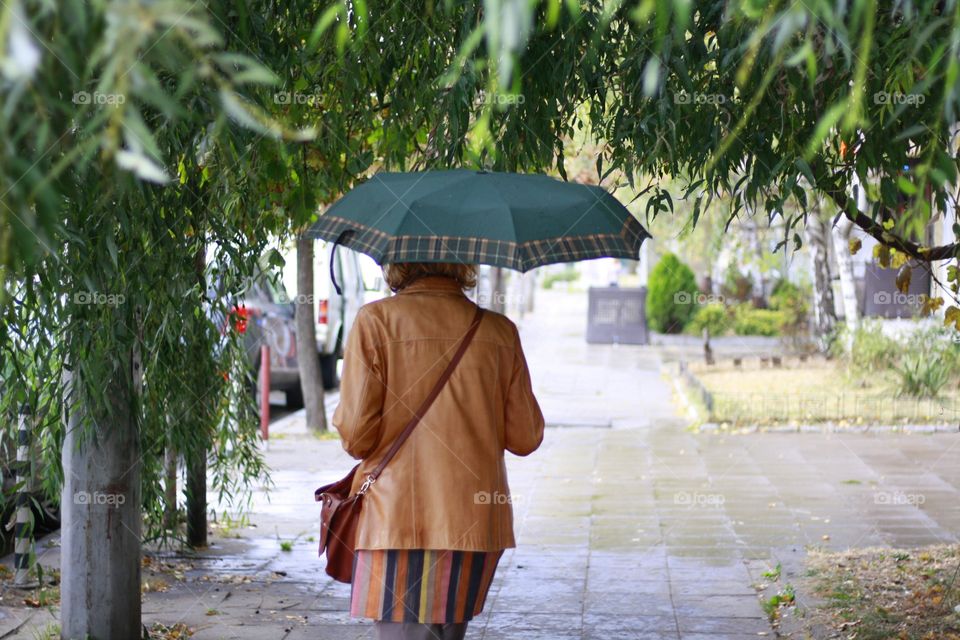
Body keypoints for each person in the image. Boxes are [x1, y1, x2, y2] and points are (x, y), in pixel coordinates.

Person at [332, 261, 545, 640]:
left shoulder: (376, 322)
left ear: (397, 260)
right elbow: (526, 437)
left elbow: (356, 438)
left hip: (395, 521)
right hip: (474, 522)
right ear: (463, 260)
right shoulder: (498, 331)